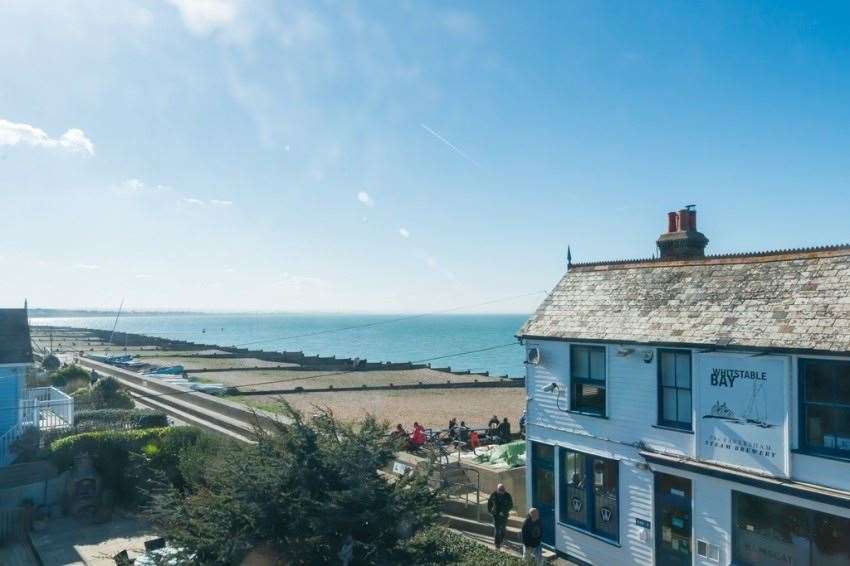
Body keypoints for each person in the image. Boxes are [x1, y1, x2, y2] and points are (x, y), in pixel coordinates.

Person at [487, 483, 513, 549]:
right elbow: (489, 503)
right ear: (497, 489)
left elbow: (511, 505)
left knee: (503, 529)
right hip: (496, 515)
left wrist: (504, 511)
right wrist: (491, 511)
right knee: (497, 529)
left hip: (504, 515)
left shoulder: (507, 496)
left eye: (503, 490)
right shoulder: (493, 495)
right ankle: (497, 543)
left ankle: (501, 539)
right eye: (500, 490)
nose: (501, 491)